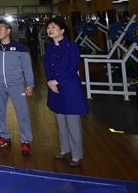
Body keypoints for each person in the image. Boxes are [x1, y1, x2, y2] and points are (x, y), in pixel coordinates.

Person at [0, 20, 35, 155]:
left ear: (8, 31)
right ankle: (4, 137)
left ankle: (25, 141)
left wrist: (29, 84)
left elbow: (27, 68)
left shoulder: (20, 48)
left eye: (0, 29)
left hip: (16, 85)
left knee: (22, 113)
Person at [44, 17, 88, 167]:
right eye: (49, 27)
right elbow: (46, 66)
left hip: (69, 89)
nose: (50, 30)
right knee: (60, 121)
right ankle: (64, 149)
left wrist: (57, 81)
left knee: (72, 122)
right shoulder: (49, 47)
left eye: (53, 27)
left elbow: (73, 67)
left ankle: (76, 155)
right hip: (54, 89)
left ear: (62, 30)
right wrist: (50, 81)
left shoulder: (71, 46)